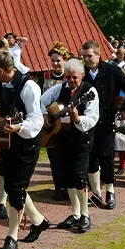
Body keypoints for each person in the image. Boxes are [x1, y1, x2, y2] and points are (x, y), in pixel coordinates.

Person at [0, 50, 47, 249]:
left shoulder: (29, 86)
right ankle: (39, 221)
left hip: (28, 142)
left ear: (0, 70)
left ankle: (11, 235)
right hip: (7, 142)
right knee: (8, 183)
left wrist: (20, 127)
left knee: (16, 188)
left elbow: (37, 119)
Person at [41, 58, 98, 232]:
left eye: (74, 77)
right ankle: (75, 212)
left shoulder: (90, 91)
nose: (71, 81)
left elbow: (93, 117)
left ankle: (85, 214)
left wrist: (78, 118)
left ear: (82, 75)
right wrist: (46, 116)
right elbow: (41, 100)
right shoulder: (60, 89)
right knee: (67, 175)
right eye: (68, 77)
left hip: (82, 138)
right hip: (63, 136)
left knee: (79, 175)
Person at [80, 40, 125, 210]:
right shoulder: (81, 72)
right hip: (86, 121)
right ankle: (96, 193)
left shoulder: (111, 70)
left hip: (106, 119)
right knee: (89, 155)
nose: (86, 59)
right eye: (83, 56)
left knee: (106, 155)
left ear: (98, 55)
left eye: (89, 56)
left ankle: (110, 191)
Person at [41, 43, 71, 201]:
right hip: (51, 122)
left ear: (65, 60)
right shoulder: (46, 76)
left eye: (58, 60)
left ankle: (69, 186)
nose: (55, 64)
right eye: (53, 60)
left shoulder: (70, 77)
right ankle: (58, 186)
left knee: (67, 155)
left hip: (67, 121)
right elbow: (41, 98)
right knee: (54, 154)